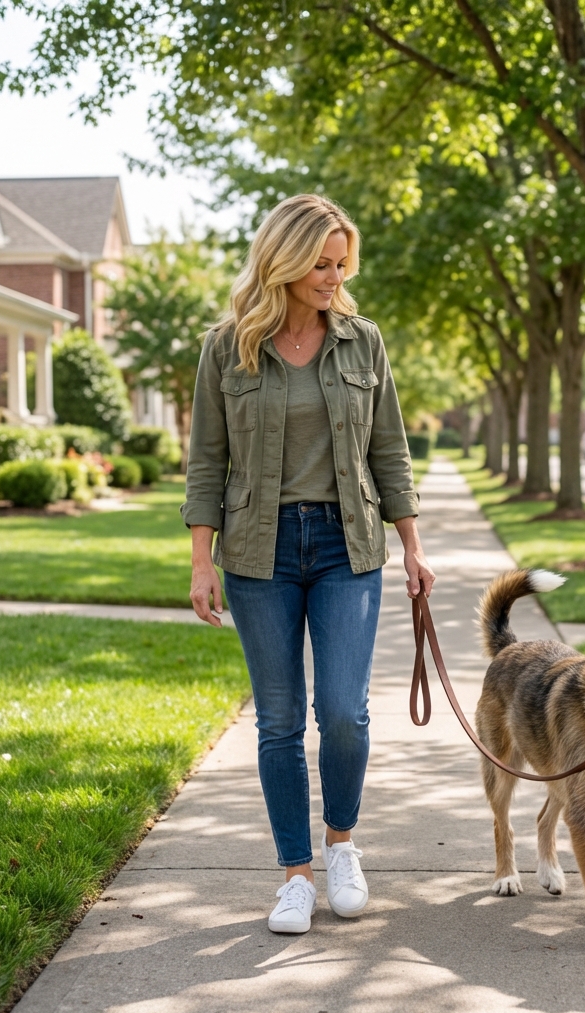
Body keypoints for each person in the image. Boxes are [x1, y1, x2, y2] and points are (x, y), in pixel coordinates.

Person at [182, 194, 435, 935]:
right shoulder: (226, 346)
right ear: (284, 264)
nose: (333, 277)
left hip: (346, 545)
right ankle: (295, 875)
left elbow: (389, 450)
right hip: (257, 552)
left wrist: (413, 545)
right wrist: (201, 561)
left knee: (344, 714)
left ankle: (343, 847)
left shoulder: (363, 342)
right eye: (320, 264)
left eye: (340, 264)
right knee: (280, 720)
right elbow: (205, 461)